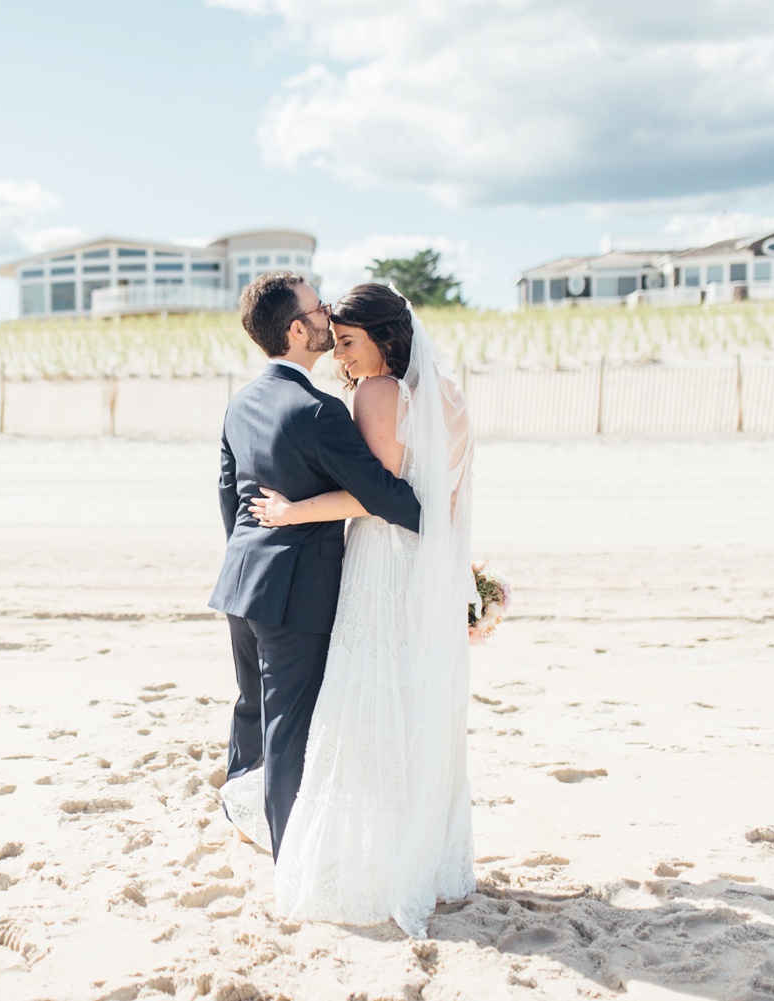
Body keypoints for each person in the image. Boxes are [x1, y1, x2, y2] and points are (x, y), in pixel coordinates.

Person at [244, 282, 477, 938]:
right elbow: (446, 501)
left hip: (383, 561)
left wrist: (292, 511)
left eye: (349, 342)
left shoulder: (378, 394)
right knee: (411, 703)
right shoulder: (448, 396)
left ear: (386, 339)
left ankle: (375, 864)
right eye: (336, 342)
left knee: (364, 705)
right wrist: (458, 575)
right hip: (427, 564)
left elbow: (374, 496)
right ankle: (418, 854)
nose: (342, 358)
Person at [208, 272, 422, 863]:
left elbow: (229, 496)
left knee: (251, 710)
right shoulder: (319, 410)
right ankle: (289, 855)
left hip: (240, 585)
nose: (328, 314)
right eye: (318, 307)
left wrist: (250, 560)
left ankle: (242, 811)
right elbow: (382, 491)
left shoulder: (241, 401)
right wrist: (436, 519)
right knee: (289, 729)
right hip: (296, 596)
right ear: (298, 329)